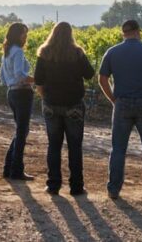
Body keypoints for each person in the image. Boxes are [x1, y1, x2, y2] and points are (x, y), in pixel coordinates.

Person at [98, 19, 142, 201]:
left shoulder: (112, 52)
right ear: (138, 31)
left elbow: (102, 79)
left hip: (122, 103)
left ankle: (114, 189)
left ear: (123, 33)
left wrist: (113, 99)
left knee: (118, 149)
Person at [34, 21, 96, 196]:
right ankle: (76, 186)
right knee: (75, 146)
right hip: (73, 105)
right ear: (71, 34)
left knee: (54, 145)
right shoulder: (77, 53)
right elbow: (90, 74)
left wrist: (45, 96)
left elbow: (38, 80)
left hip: (51, 104)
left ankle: (53, 185)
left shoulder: (44, 53)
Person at [0, 22, 35, 181]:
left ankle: (9, 168)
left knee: (21, 131)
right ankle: (16, 170)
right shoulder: (18, 52)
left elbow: (2, 77)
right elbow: (20, 75)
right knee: (22, 132)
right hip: (22, 93)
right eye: (23, 34)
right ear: (17, 35)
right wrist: (39, 80)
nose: (25, 37)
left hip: (12, 93)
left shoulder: (6, 52)